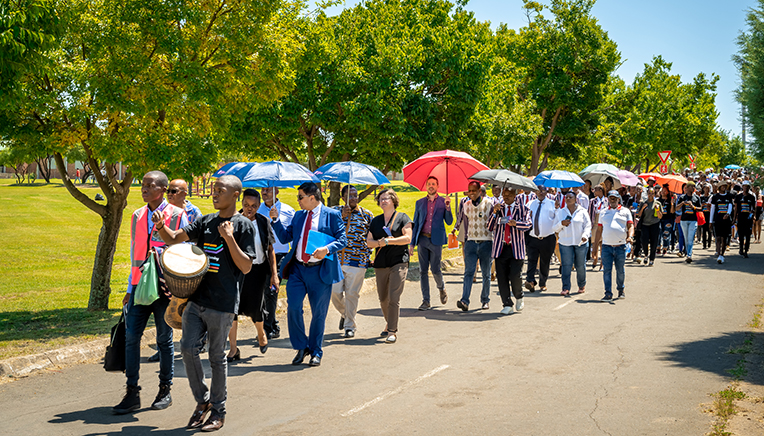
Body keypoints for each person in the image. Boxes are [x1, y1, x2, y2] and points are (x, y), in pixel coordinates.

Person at [153, 175, 255, 431]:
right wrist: (161, 227)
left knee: (216, 357)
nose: (214, 194)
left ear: (235, 195)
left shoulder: (243, 226)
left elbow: (246, 266)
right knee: (187, 349)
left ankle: (219, 411)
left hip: (222, 303)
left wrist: (229, 238)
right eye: (213, 190)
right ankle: (203, 401)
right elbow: (175, 238)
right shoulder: (206, 221)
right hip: (196, 299)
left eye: (220, 190)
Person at [112, 171, 188, 416]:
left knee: (164, 340)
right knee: (131, 338)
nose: (143, 188)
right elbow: (135, 252)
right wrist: (129, 288)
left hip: (165, 289)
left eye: (149, 185)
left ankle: (165, 389)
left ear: (163, 189)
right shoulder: (137, 215)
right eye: (142, 184)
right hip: (139, 288)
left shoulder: (177, 215)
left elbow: (184, 251)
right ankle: (132, 391)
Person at [270, 182, 347, 367]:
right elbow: (285, 237)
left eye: (300, 197)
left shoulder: (332, 215)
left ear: (312, 197)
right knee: (293, 308)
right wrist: (275, 220)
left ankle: (315, 351)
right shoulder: (298, 216)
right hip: (297, 270)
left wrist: (327, 249)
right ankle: (301, 346)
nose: (298, 201)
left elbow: (342, 239)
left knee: (318, 313)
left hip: (320, 271)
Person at [148, 178, 203, 364]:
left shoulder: (193, 212)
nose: (170, 194)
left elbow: (199, 240)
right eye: (169, 191)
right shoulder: (162, 211)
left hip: (184, 264)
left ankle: (193, 341)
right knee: (166, 307)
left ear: (185, 193)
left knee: (184, 307)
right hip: (164, 264)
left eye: (174, 191)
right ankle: (164, 347)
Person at [227, 189, 278, 362]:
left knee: (256, 307)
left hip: (257, 271)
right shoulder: (233, 222)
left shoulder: (263, 222)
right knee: (232, 309)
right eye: (247, 205)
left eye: (254, 206)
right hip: (237, 272)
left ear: (258, 206)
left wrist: (274, 275)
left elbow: (270, 250)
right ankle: (233, 349)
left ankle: (261, 333)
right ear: (241, 203)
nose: (250, 209)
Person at [367, 188, 412, 343]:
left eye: (386, 198)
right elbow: (369, 242)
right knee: (383, 298)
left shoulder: (402, 218)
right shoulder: (376, 221)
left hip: (399, 261)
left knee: (393, 297)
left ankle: (392, 331)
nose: (383, 201)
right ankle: (389, 322)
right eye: (380, 199)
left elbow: (407, 238)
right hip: (381, 263)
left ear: (393, 200)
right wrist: (380, 242)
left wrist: (390, 241)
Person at [332, 185, 374, 338]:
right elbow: (326, 229)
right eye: (350, 196)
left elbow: (372, 236)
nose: (354, 198)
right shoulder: (333, 212)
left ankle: (350, 326)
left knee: (352, 294)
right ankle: (346, 313)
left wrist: (369, 255)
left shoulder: (367, 215)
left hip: (357, 261)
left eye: (355, 196)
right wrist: (341, 216)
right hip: (335, 261)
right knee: (334, 292)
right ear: (342, 198)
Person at [410, 176, 453, 310]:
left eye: (433, 184)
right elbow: (415, 223)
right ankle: (426, 301)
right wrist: (412, 243)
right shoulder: (420, 203)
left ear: (437, 186)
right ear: (426, 186)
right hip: (422, 239)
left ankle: (441, 288)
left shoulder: (443, 201)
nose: (431, 186)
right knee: (423, 271)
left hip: (436, 240)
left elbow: (449, 221)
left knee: (435, 269)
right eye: (429, 184)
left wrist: (448, 207)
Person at [258, 187, 295, 340]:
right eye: (263, 189)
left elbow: (292, 234)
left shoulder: (288, 210)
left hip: (279, 254)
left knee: (271, 289)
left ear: (277, 192)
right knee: (262, 292)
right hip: (259, 254)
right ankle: (271, 324)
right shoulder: (256, 209)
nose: (264, 192)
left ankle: (270, 326)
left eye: (268, 190)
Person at [488, 187, 531, 314]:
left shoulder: (523, 208)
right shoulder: (498, 208)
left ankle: (519, 296)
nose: (506, 197)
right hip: (501, 247)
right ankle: (507, 304)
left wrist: (516, 223)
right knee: (501, 277)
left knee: (515, 275)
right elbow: (490, 226)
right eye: (504, 194)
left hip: (516, 247)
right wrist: (494, 213)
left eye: (509, 195)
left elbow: (528, 224)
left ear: (515, 195)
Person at [457, 181, 494, 311]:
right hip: (471, 242)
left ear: (480, 191)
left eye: (474, 190)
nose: (471, 193)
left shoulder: (489, 204)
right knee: (468, 272)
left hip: (486, 242)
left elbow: (494, 221)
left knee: (486, 274)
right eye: (469, 191)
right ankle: (464, 300)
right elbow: (462, 220)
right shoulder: (466, 205)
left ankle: (485, 300)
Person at [595, 190, 634, 301]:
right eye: (610, 198)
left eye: (614, 198)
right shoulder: (603, 212)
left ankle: (621, 290)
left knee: (620, 270)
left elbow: (630, 226)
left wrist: (630, 237)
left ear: (618, 199)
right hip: (606, 246)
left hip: (620, 246)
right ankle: (608, 293)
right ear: (608, 199)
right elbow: (599, 230)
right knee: (607, 270)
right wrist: (595, 247)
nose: (612, 200)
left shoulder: (625, 211)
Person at [554, 191, 591, 295]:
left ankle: (581, 285)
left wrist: (585, 235)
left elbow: (588, 226)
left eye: (571, 197)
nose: (568, 199)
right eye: (567, 197)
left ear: (575, 199)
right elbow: (554, 228)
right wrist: (561, 223)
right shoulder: (561, 212)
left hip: (580, 243)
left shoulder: (582, 211)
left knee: (580, 265)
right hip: (565, 243)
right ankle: (566, 288)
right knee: (566, 265)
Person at [525, 185, 557, 293]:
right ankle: (530, 281)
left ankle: (543, 283)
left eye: (543, 191)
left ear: (547, 192)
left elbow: (557, 220)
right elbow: (526, 218)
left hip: (547, 238)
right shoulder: (530, 204)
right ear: (535, 192)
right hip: (532, 237)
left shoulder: (552, 204)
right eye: (538, 191)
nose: (541, 193)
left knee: (545, 261)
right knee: (531, 260)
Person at [636, 186, 663, 266]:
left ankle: (652, 259)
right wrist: (643, 208)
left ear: (655, 194)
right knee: (644, 241)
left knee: (654, 243)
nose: (651, 195)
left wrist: (657, 210)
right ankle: (646, 255)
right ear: (647, 194)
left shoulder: (657, 203)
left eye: (652, 193)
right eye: (649, 193)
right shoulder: (643, 203)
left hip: (654, 224)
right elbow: (639, 215)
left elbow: (660, 216)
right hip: (645, 225)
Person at [677, 181, 702, 263]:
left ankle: (689, 255)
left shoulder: (696, 198)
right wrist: (682, 203)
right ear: (687, 188)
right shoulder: (682, 197)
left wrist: (693, 207)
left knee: (691, 238)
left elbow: (700, 208)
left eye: (694, 186)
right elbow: (676, 208)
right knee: (686, 238)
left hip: (693, 220)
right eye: (691, 186)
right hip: (684, 220)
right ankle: (687, 252)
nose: (693, 188)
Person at [710, 180, 734, 264]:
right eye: (722, 186)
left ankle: (722, 254)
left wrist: (728, 214)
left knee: (724, 238)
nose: (724, 187)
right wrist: (710, 221)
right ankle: (718, 252)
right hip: (717, 220)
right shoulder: (715, 197)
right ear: (719, 187)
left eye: (725, 186)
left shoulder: (729, 196)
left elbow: (730, 206)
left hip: (726, 220)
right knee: (718, 237)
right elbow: (712, 209)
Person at [734, 181, 756, 258]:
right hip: (740, 218)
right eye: (744, 186)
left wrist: (753, 215)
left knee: (748, 235)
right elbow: (736, 208)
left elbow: (754, 208)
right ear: (742, 187)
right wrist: (734, 218)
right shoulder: (738, 197)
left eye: (747, 186)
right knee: (741, 234)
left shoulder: (752, 197)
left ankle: (746, 250)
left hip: (748, 218)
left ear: (749, 188)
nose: (745, 188)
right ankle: (741, 248)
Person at [589, 185, 606, 268]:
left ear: (601, 191)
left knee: (603, 243)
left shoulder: (606, 200)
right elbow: (589, 213)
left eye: (596, 190)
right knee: (594, 242)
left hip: (604, 223)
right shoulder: (592, 201)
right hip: (595, 222)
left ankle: (602, 263)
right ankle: (595, 258)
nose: (594, 191)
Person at [658, 184, 676, 254]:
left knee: (666, 234)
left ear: (668, 192)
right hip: (659, 219)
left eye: (665, 191)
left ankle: (665, 248)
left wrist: (672, 204)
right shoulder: (658, 200)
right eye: (662, 190)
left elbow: (672, 211)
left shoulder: (670, 200)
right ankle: (658, 247)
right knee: (658, 233)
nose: (663, 192)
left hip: (668, 219)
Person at [699, 184, 713, 249]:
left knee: (709, 229)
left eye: (708, 188)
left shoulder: (711, 197)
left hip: (709, 214)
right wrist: (702, 205)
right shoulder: (701, 197)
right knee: (704, 230)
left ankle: (709, 243)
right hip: (703, 214)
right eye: (706, 188)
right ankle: (704, 244)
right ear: (703, 189)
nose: (707, 190)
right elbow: (699, 206)